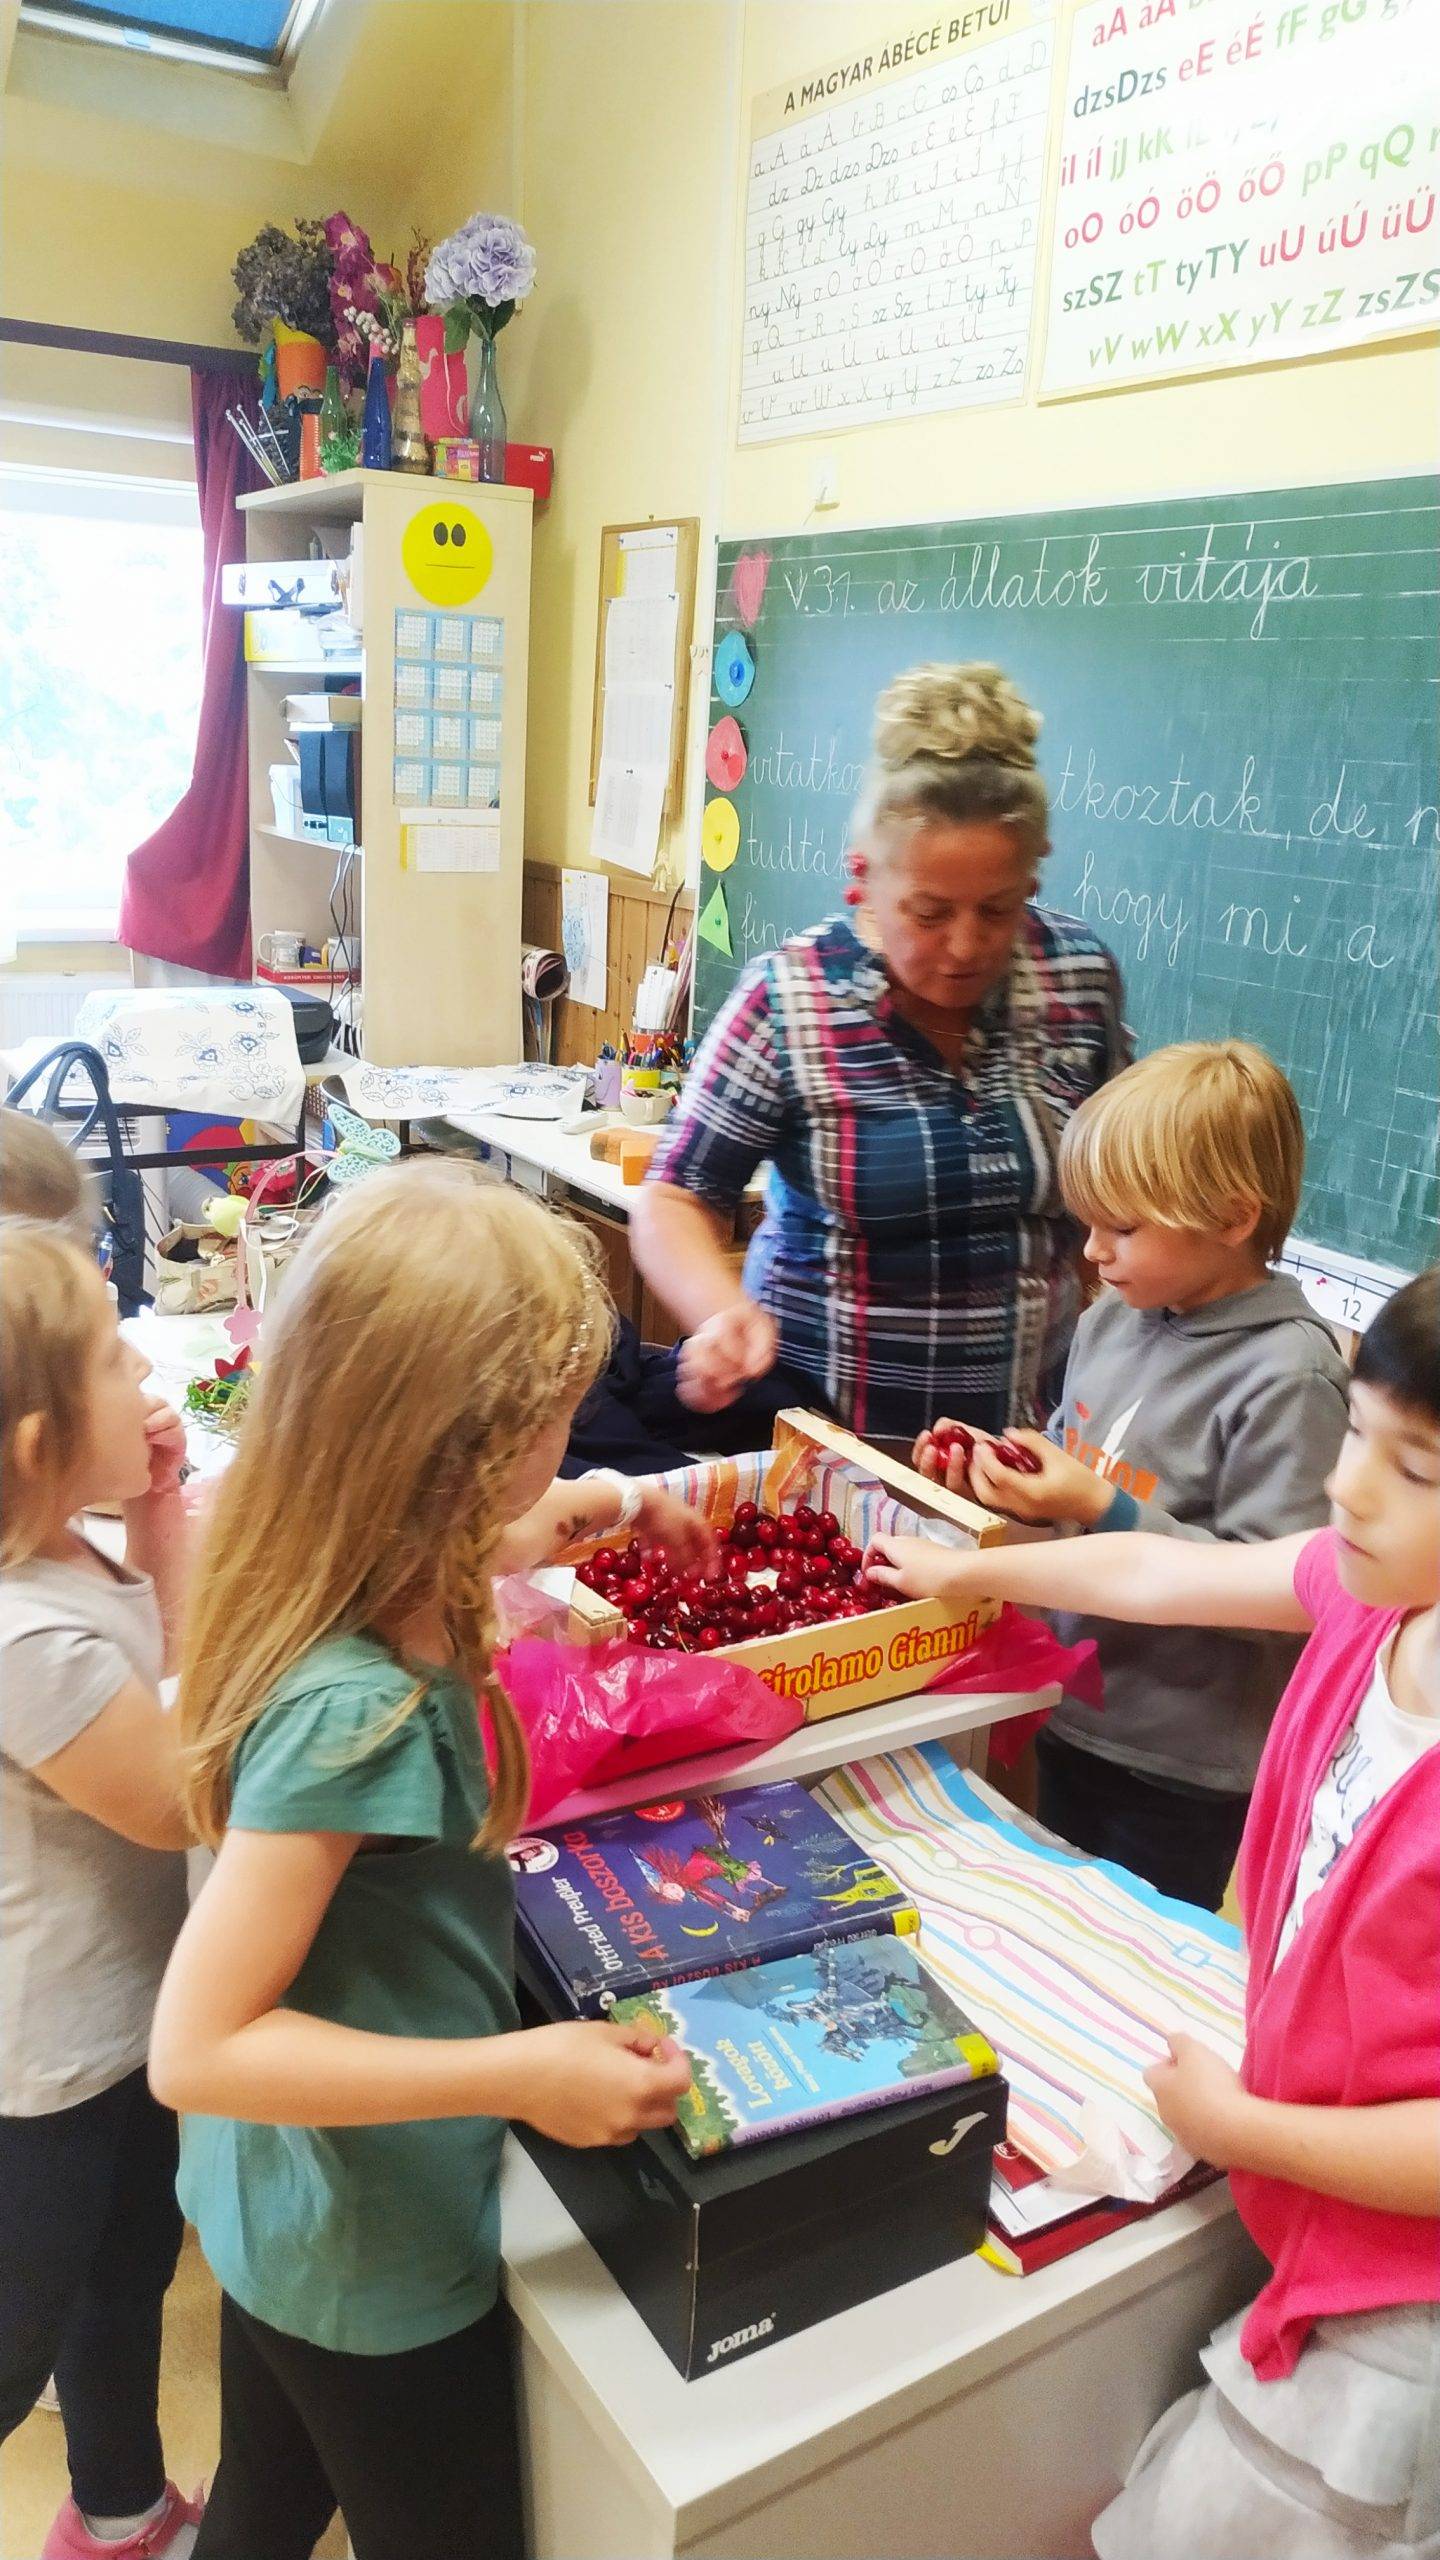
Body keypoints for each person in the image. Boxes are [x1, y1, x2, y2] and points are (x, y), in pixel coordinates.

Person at [149, 1164, 695, 2560]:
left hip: (284, 2208)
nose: (569, 1438)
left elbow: (485, 1538)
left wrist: (607, 1499)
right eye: (557, 1418)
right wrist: (519, 2073)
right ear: (462, 1451)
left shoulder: (340, 1550)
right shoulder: (357, 1715)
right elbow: (198, 2049)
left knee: (270, 2495)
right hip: (366, 2249)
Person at [867, 1268, 1440, 2559]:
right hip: (1314, 2221)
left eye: (1416, 1470)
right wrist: (971, 1571)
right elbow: (1159, 1568)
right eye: (1357, 1433)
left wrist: (1247, 2130)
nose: (1347, 1486)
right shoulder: (1373, 1598)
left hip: (1400, 2315)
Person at [630, 662, 1127, 1444]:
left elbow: (1124, 1183)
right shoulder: (789, 1000)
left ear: (1034, 874)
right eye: (929, 913)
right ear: (861, 878)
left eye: (999, 909)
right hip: (824, 1445)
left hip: (1024, 1449)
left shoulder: (1078, 977)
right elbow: (675, 1199)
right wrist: (721, 1317)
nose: (965, 946)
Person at [913, 1041, 1350, 1908]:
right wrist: (996, 1476)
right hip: (1073, 1704)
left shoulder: (1289, 1379)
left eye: (1123, 1228)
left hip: (1184, 1765)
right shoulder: (1113, 1320)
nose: (1094, 1252)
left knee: (1138, 1946)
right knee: (1062, 1920)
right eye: (1089, 1223)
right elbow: (1077, 1480)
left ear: (1232, 1217)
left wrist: (1101, 1503)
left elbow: (1286, 1601)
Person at [0, 1223, 200, 2560]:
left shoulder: (71, 1553)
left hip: (126, 2021)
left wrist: (157, 1516)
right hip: (46, 2066)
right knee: (16, 2330)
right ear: (39, 1445)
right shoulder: (23, 1635)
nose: (147, 1375)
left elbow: (168, 1667)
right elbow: (179, 1793)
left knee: (122, 2276)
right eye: (118, 1356)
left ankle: (119, 2509)